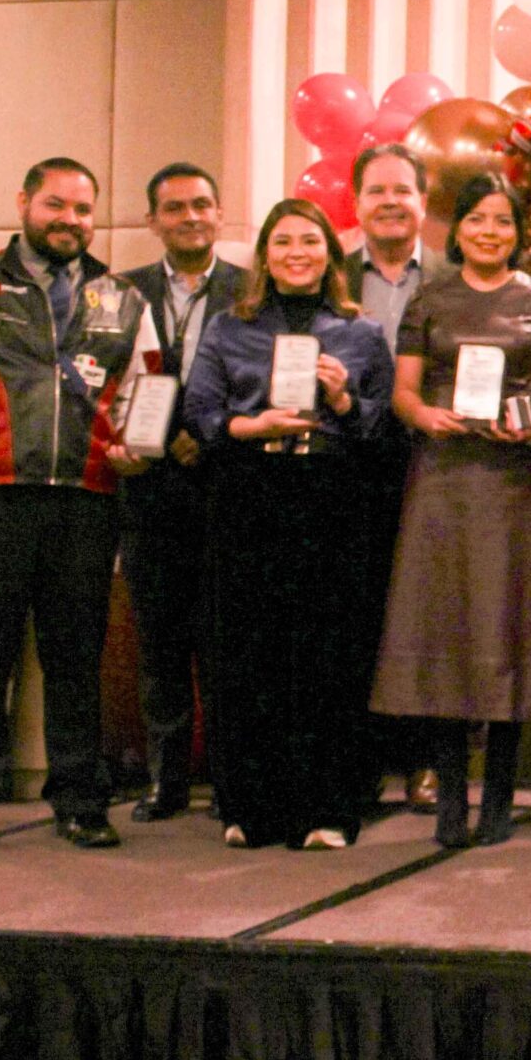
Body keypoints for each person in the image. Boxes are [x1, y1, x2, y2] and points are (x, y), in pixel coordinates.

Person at [0, 158, 161, 857]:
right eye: (56, 204)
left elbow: (148, 393)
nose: (69, 220)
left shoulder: (123, 298)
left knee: (76, 662)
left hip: (86, 504)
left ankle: (80, 801)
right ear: (23, 203)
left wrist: (139, 449)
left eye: (82, 209)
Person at [370, 174, 531, 849]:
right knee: (445, 628)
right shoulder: (431, 298)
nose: (491, 232)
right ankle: (451, 795)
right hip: (443, 481)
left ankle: (499, 796)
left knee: (507, 627)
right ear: (457, 229)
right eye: (478, 220)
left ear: (519, 232)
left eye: (503, 221)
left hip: (514, 483)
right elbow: (404, 391)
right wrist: (424, 415)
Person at [184, 200, 394, 849]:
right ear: (265, 256)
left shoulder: (361, 333)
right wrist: (252, 425)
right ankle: (251, 806)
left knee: (328, 652)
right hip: (250, 491)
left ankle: (328, 807)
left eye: (309, 240)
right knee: (250, 650)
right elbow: (199, 410)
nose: (296, 252)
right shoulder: (228, 327)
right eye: (283, 242)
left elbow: (383, 426)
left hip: (332, 495)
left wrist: (341, 398)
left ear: (330, 254)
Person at [117, 163, 244, 821]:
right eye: (175, 208)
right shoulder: (119, 292)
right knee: (160, 643)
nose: (190, 216)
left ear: (219, 213)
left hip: (228, 489)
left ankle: (229, 780)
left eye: (201, 204)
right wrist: (156, 440)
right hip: (148, 489)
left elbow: (264, 377)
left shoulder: (251, 288)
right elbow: (101, 380)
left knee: (227, 645)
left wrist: (207, 436)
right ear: (153, 220)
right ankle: (165, 780)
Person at [344, 142, 441, 812]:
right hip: (352, 463)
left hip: (435, 457)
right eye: (377, 190)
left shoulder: (454, 275)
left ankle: (427, 759)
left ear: (423, 203)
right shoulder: (326, 274)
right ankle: (365, 759)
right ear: (356, 202)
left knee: (430, 612)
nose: (390, 202)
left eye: (402, 190)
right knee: (360, 608)